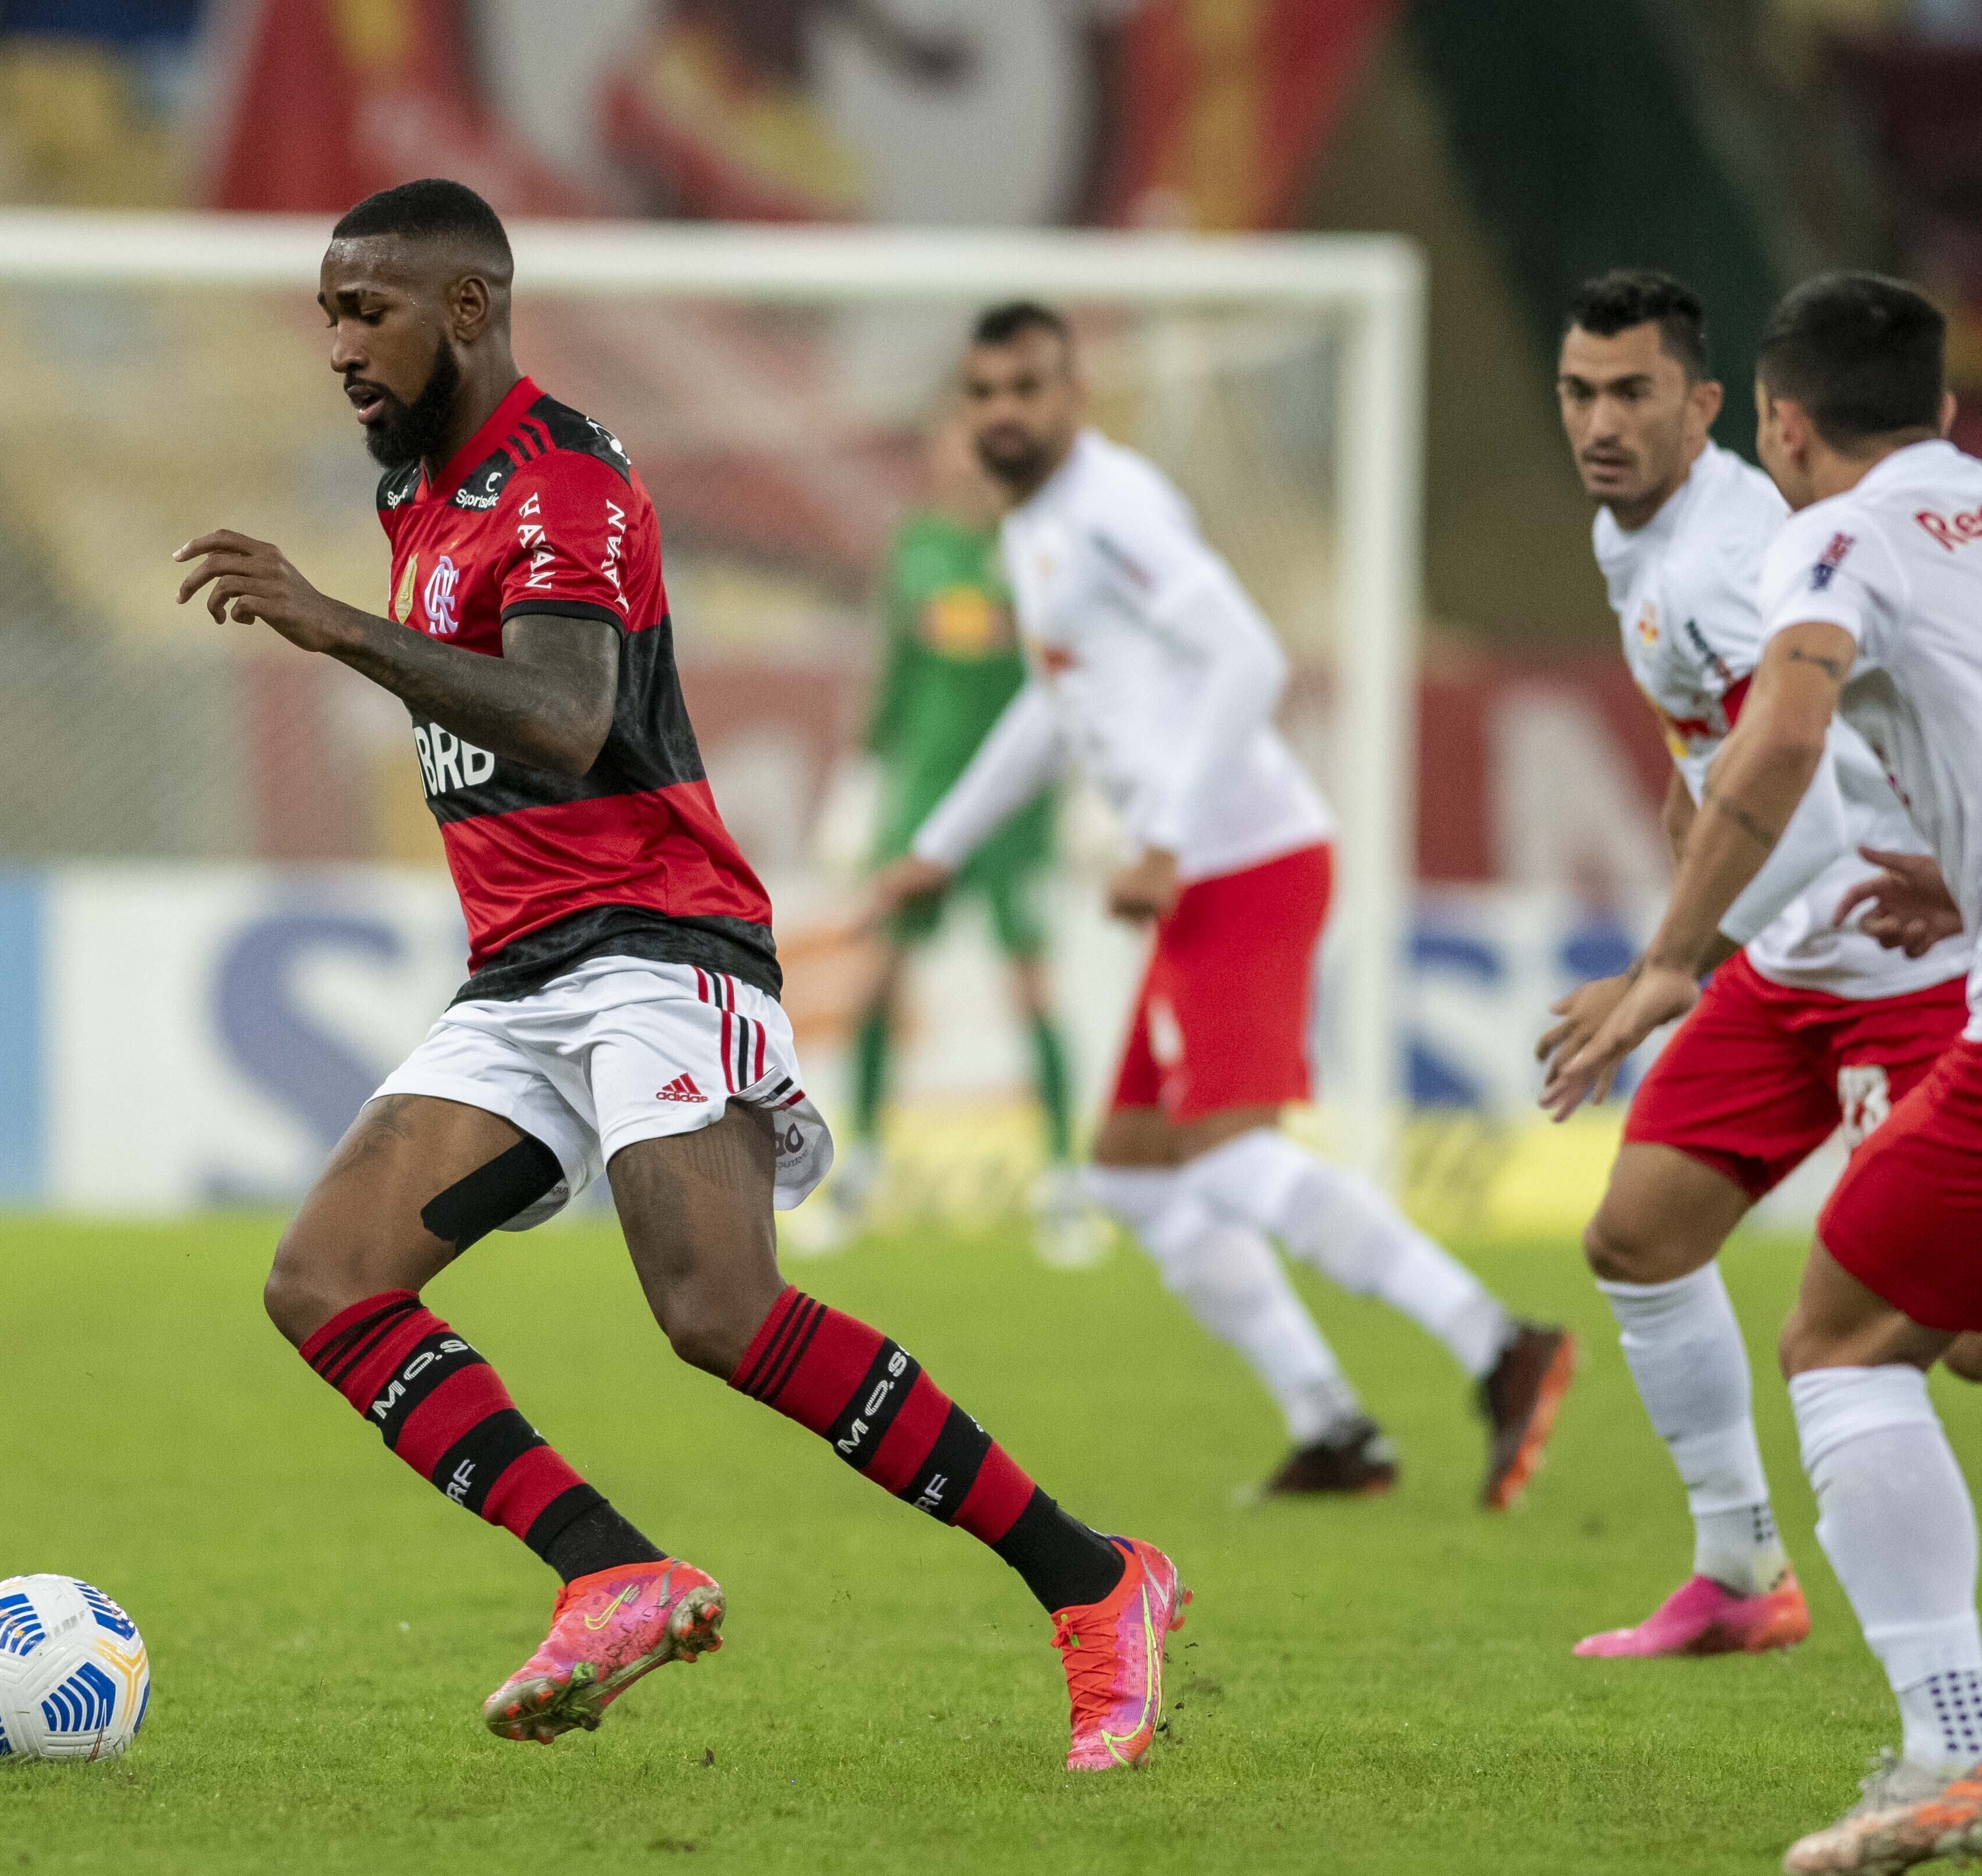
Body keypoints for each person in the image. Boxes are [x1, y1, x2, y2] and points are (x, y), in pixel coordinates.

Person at [173, 180, 1184, 1769]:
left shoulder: (560, 481)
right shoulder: (421, 491)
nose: (338, 346)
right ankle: (612, 1572)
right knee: (323, 1280)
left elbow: (569, 718)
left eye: (365, 310)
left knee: (717, 1308)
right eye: (326, 314)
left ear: (466, 308)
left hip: (654, 937)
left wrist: (333, 626)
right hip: (521, 971)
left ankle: (1095, 1578)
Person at [1543, 272, 1982, 1871]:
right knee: (1700, 1252)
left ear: (1777, 423)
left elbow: (1783, 738)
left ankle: (1954, 1754)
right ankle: (1742, 1576)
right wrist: (1979, 858)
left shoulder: (1821, 536)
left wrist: (1673, 953)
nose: (1600, 424)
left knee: (1843, 1337)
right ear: (1948, 413)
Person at [866, 301, 1576, 1506]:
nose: (1004, 413)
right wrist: (937, 845)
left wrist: (1163, 839)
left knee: (1233, 1166)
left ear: (1073, 395)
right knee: (1137, 1176)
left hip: (1241, 861)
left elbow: (1249, 654)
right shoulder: (1036, 530)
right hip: (1199, 870)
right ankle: (1335, 1426)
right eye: (983, 393)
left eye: (1026, 388)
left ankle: (1498, 1343)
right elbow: (1054, 708)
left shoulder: (1111, 506)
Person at [815, 405, 1084, 1258]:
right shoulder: (916, 549)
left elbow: (1072, 675)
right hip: (922, 799)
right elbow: (887, 668)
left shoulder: (1040, 547)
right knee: (879, 977)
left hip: (1015, 807)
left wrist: (1088, 786)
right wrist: (858, 782)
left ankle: (1060, 1181)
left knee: (1030, 983)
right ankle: (861, 1167)